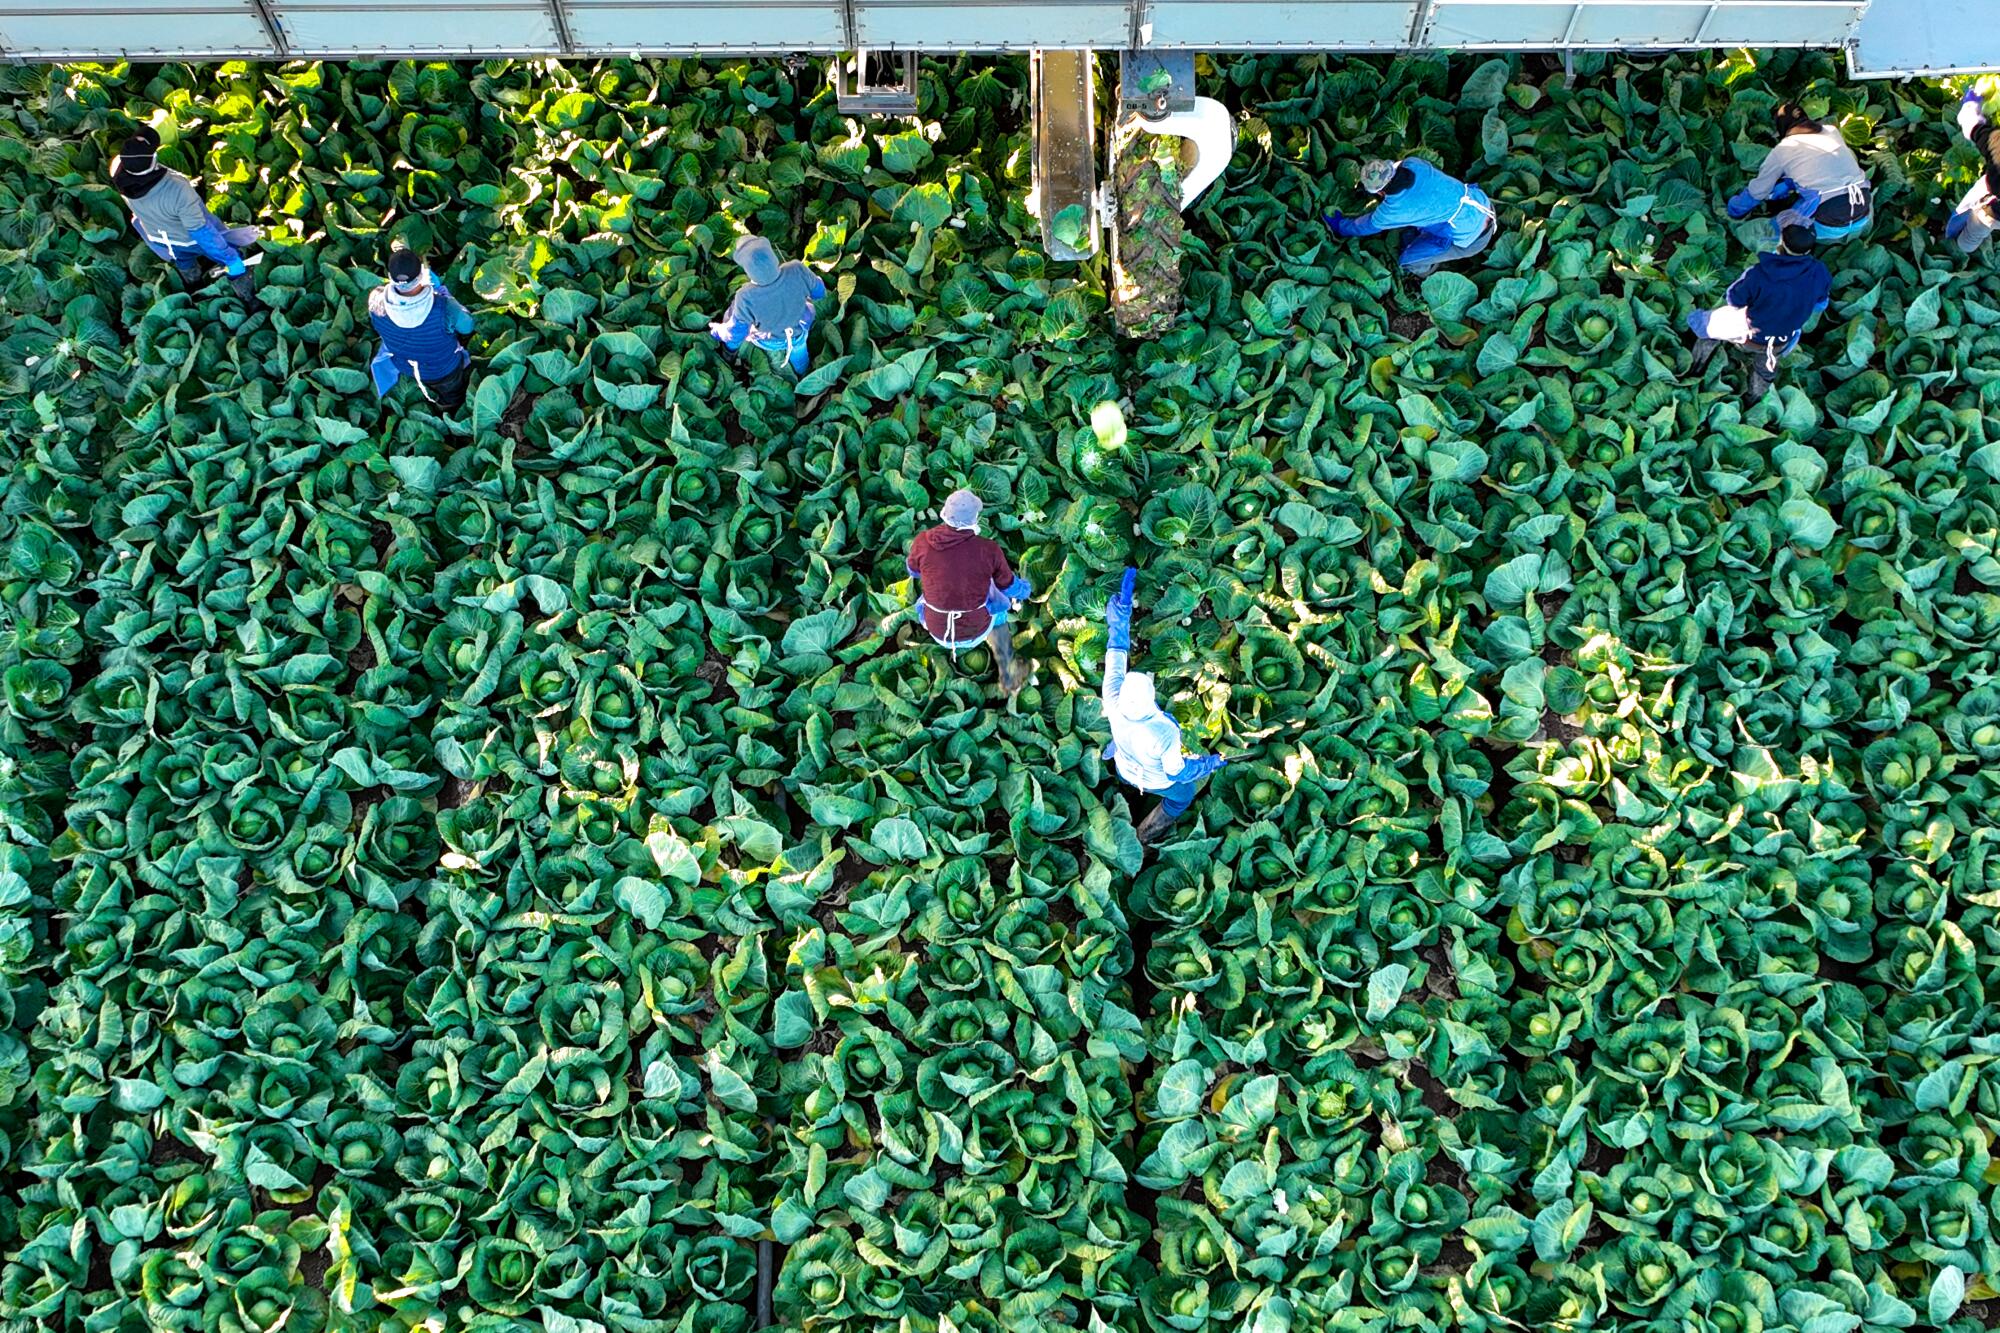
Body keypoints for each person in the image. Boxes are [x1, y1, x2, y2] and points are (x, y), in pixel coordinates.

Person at [1101, 568, 1228, 844]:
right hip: (1159, 780)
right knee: (1182, 796)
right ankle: (1145, 834)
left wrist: (1120, 616)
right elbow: (1177, 771)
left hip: (1124, 765)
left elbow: (1116, 652)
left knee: (1126, 778)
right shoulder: (1163, 730)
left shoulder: (1112, 699)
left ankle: (1128, 796)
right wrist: (1209, 764)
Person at [109, 125, 261, 306]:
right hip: (191, 239)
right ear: (153, 160)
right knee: (231, 256)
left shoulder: (118, 172)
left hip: (161, 239)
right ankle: (248, 296)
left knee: (183, 260)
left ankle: (194, 286)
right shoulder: (177, 189)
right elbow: (201, 232)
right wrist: (229, 257)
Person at [1687, 213, 1832, 398]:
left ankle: (1694, 370)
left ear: (1781, 241)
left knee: (1704, 326)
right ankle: (1753, 401)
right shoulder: (1820, 272)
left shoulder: (1759, 274)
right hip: (1781, 341)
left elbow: (1734, 299)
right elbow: (1820, 304)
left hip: (1748, 335)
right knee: (1765, 371)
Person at [905, 489, 1032, 692]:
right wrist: (1025, 590)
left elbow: (912, 570)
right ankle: (1008, 671)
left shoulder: (922, 541)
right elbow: (1008, 586)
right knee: (999, 607)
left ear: (945, 513)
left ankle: (914, 635)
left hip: (937, 631)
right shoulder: (988, 549)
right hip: (978, 631)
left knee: (926, 596)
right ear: (975, 518)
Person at [1725, 102, 1872, 243]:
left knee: (1772, 231)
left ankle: (1778, 250)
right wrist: (1788, 183)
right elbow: (1819, 167)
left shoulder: (1784, 149)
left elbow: (1758, 192)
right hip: (1864, 208)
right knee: (1812, 193)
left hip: (1829, 223)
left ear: (1783, 128)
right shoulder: (1832, 131)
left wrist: (1734, 211)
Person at [1323, 158, 1497, 276]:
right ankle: (1427, 239)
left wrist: (1340, 226)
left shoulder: (1393, 210)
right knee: (1425, 220)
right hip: (1483, 204)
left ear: (1381, 192)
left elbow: (1364, 226)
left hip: (1473, 240)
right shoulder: (1414, 163)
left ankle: (1427, 271)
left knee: (1409, 261)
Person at [368, 249, 475, 411]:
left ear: (390, 277)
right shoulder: (445, 307)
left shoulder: (375, 300)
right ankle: (448, 408)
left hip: (405, 366)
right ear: (421, 275)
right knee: (452, 394)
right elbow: (467, 327)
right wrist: (443, 293)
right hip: (444, 370)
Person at [708, 235, 826, 374]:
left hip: (770, 341)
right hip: (799, 331)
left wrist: (718, 331)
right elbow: (819, 292)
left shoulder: (745, 297)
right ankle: (803, 376)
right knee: (800, 355)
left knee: (732, 316)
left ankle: (729, 356)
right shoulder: (797, 268)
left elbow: (736, 333)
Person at [1946, 87, 2000, 257]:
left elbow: (1972, 126)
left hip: (1992, 207)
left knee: (1975, 230)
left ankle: (1963, 247)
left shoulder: (1997, 144)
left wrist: (1970, 105)